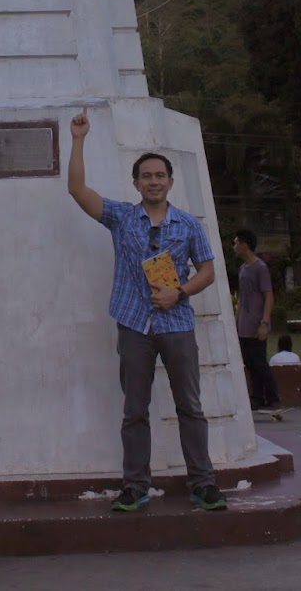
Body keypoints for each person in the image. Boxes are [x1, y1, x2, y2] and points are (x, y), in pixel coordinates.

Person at [65, 106, 227, 513]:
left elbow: (208, 270)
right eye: (146, 176)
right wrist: (79, 140)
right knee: (134, 409)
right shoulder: (121, 217)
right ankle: (135, 485)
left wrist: (180, 293)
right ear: (136, 182)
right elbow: (78, 191)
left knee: (189, 405)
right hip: (134, 325)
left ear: (170, 182)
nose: (153, 181)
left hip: (177, 325)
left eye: (160, 175)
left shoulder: (188, 225)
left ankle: (203, 483)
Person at [232, 230, 279, 411]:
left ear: (245, 245)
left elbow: (268, 295)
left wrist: (264, 322)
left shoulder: (260, 267)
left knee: (260, 362)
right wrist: (236, 321)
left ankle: (273, 398)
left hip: (256, 323)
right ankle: (257, 397)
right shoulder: (243, 269)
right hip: (244, 323)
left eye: (236, 243)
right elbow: (242, 298)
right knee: (250, 363)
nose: (234, 247)